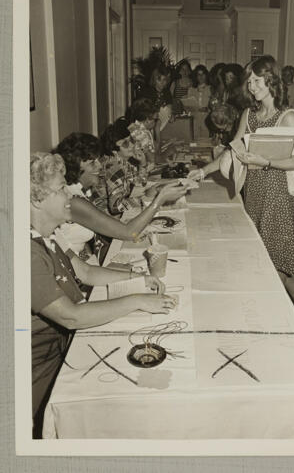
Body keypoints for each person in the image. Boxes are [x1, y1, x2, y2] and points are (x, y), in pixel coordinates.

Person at [30, 152, 176, 437]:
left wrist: (139, 278)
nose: (68, 196)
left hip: (62, 343)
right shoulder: (26, 251)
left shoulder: (48, 235)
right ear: (37, 200)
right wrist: (137, 301)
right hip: (41, 360)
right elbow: (70, 317)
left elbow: (85, 272)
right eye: (60, 190)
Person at [189, 55, 294, 318]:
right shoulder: (249, 114)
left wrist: (266, 161)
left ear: (271, 80)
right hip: (253, 189)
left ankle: (273, 311)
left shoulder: (287, 118)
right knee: (260, 247)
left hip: (278, 193)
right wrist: (202, 171)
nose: (251, 86)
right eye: (249, 82)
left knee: (270, 252)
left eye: (256, 80)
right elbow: (233, 152)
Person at [55, 132, 187, 253]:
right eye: (92, 163)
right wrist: (159, 199)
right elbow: (129, 233)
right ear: (75, 168)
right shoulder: (74, 201)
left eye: (97, 160)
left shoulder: (79, 190)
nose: (100, 166)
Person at [183, 64, 211, 139]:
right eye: (198, 74)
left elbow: (214, 105)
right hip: (195, 119)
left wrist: (208, 109)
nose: (201, 77)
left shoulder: (211, 89)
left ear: (206, 75)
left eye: (203, 74)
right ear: (196, 76)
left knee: (205, 142)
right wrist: (188, 108)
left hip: (207, 119)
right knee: (194, 141)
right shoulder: (191, 89)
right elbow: (187, 107)